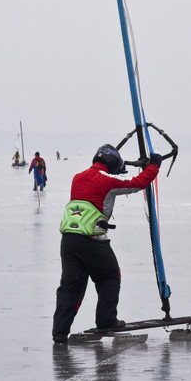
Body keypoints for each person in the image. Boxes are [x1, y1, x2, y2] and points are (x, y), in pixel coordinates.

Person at [51, 144, 162, 344]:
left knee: (70, 287)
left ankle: (59, 333)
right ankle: (106, 320)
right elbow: (137, 184)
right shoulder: (107, 181)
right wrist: (153, 166)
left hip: (68, 240)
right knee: (109, 276)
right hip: (92, 241)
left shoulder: (77, 178)